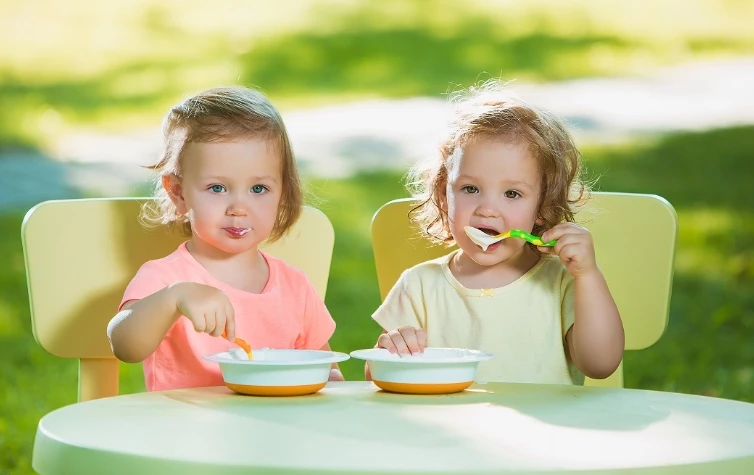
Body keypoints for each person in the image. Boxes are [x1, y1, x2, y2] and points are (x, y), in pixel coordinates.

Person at [370, 80, 624, 384]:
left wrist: (589, 276)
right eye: (470, 188)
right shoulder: (419, 286)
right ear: (443, 194)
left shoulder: (563, 282)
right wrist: (391, 352)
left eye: (512, 194)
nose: (487, 209)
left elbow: (600, 365)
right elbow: (377, 378)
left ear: (543, 206)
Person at [107, 86, 342, 391]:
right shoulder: (167, 278)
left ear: (282, 192)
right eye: (217, 188)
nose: (239, 209)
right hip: (186, 433)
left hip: (279, 434)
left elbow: (326, 373)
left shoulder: (295, 286)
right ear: (178, 192)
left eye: (259, 189)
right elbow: (124, 345)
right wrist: (173, 298)